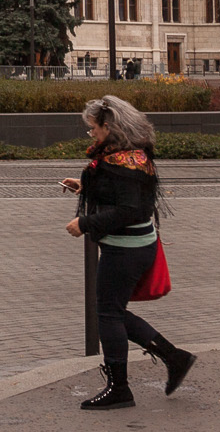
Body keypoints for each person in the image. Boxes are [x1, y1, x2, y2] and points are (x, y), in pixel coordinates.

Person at [63, 94, 194, 410]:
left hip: (125, 249)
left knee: (107, 313)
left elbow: (129, 209)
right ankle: (174, 357)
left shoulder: (120, 164)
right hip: (135, 245)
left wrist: (86, 221)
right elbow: (126, 198)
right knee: (114, 311)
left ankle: (119, 388)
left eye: (93, 128)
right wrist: (86, 188)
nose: (91, 134)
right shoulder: (132, 156)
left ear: (108, 126)